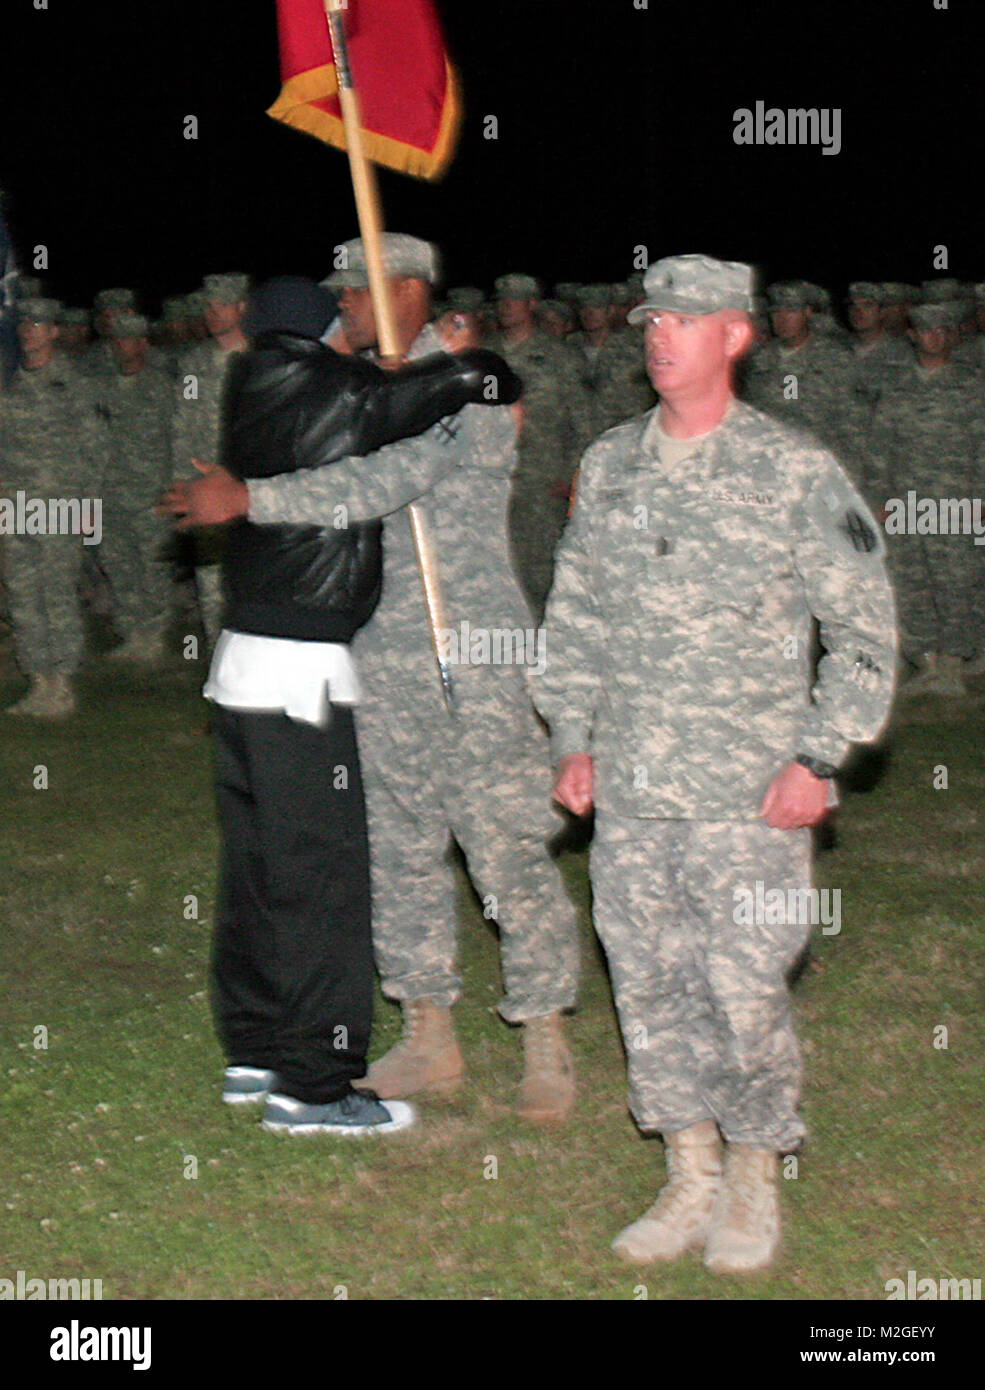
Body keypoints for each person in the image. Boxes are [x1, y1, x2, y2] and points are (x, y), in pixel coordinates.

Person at [162, 234, 582, 1125]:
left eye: (353, 293)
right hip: (380, 652)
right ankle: (428, 1030)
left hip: (475, 648)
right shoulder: (344, 385)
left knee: (502, 838)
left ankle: (543, 1032)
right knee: (395, 847)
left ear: (405, 291)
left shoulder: (466, 383)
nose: (340, 308)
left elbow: (380, 479)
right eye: (338, 294)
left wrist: (254, 502)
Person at [534, 254, 897, 1272]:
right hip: (637, 785)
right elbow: (575, 616)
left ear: (735, 334)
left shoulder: (791, 468)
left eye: (685, 321)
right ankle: (687, 1170)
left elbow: (862, 628)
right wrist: (572, 735)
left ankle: (751, 1171)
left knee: (743, 987)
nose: (659, 337)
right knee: (647, 982)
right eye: (653, 319)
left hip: (752, 792)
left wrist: (818, 756)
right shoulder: (610, 463)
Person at [1, 298, 102, 717]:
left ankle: (62, 684)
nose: (29, 330)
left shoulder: (74, 381)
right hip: (14, 503)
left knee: (57, 594)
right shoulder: (8, 381)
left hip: (60, 504)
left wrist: (88, 510)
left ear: (55, 331)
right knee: (22, 593)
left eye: (39, 324)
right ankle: (38, 680)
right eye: (24, 323)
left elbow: (96, 449)